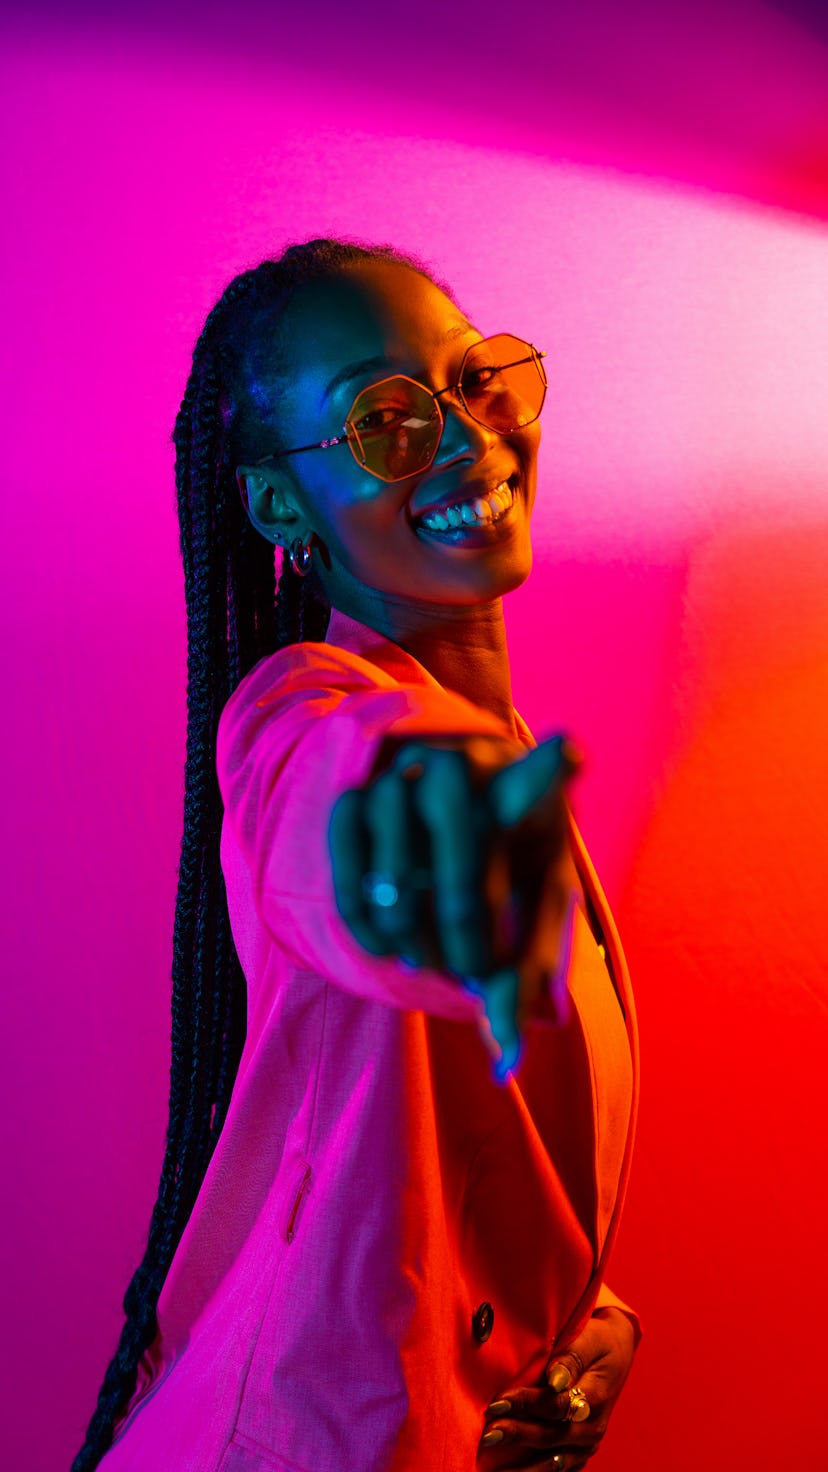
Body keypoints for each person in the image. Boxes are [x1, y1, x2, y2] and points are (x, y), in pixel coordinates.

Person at [73, 238, 640, 1472]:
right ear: (283, 504)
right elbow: (344, 813)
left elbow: (462, 1170)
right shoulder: (300, 720)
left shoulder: (501, 743)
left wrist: (584, 1320)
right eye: (385, 418)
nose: (467, 437)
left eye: (472, 380)